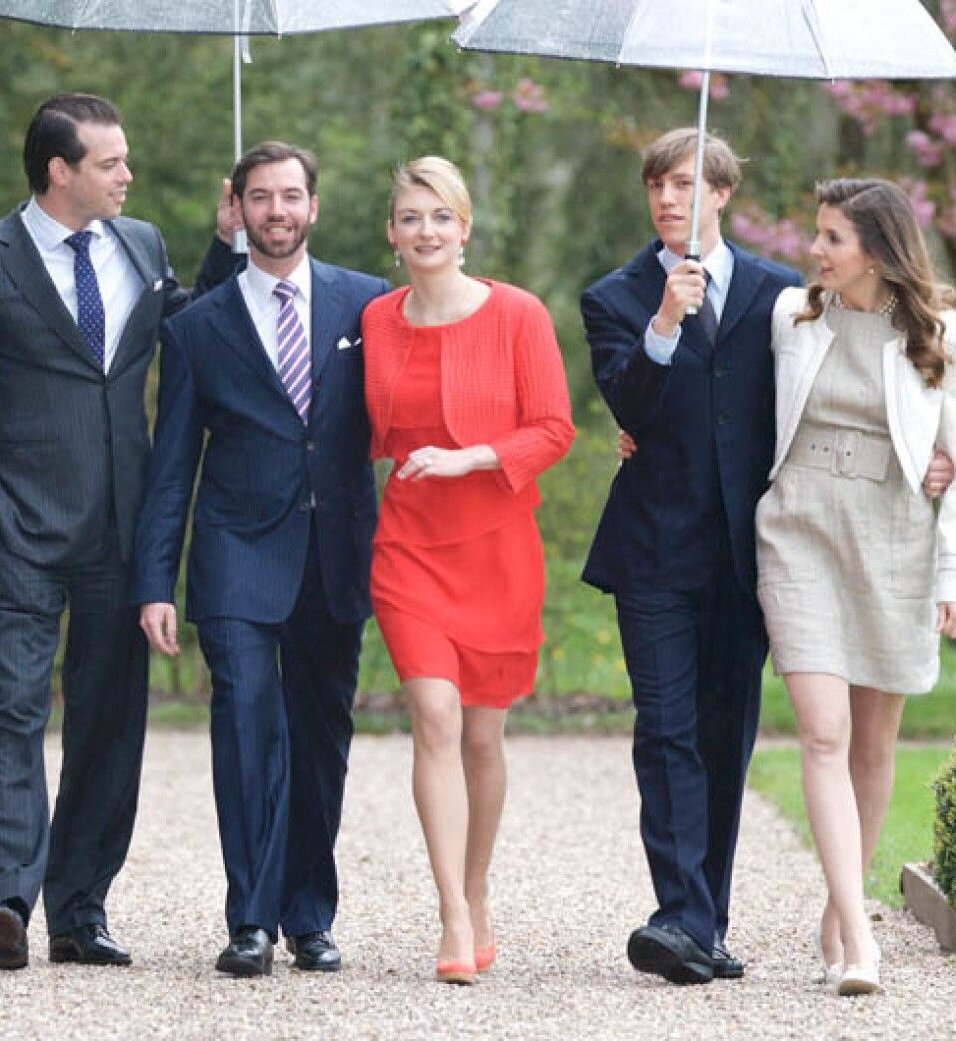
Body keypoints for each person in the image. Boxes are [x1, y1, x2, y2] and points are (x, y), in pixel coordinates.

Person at [583, 131, 956, 986]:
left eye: (684, 183)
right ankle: (680, 914)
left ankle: (703, 923)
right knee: (667, 728)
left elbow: (830, 403)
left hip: (753, 554)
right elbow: (629, 400)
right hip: (652, 550)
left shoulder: (786, 298)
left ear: (720, 193)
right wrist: (666, 322)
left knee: (725, 735)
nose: (667, 198)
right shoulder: (613, 297)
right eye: (655, 185)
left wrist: (933, 453)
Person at [0, 93, 238, 971]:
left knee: (108, 723)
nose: (127, 175)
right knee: (15, 712)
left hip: (123, 535)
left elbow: (195, 332)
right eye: (111, 163)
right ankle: (8, 900)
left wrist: (228, 240)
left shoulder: (142, 246)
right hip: (18, 529)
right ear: (60, 171)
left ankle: (80, 911)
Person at [131, 142, 390, 979]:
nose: (276, 212)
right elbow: (171, 464)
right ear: (235, 208)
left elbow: (414, 403)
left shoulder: (368, 304)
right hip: (237, 549)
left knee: (322, 736)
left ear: (314, 207)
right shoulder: (198, 327)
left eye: (290, 197)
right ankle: (249, 918)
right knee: (244, 726)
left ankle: (309, 914)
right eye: (260, 198)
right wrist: (153, 582)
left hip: (337, 550)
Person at [759, 177, 956, 996]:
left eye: (832, 239)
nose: (814, 250)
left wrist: (954, 574)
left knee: (873, 744)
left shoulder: (947, 335)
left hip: (893, 534)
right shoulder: (793, 316)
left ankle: (837, 905)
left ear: (878, 251)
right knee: (821, 733)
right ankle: (858, 930)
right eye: (816, 234)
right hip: (799, 529)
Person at [361, 157, 574, 984]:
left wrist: (474, 457)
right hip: (408, 548)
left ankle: (478, 888)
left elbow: (555, 427)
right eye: (410, 217)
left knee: (484, 734)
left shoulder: (518, 314)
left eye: (440, 217)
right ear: (391, 231)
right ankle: (451, 908)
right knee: (435, 716)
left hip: (496, 549)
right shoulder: (376, 320)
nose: (425, 232)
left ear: (465, 226)